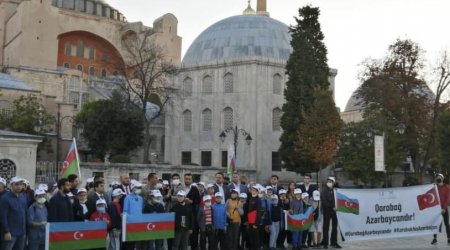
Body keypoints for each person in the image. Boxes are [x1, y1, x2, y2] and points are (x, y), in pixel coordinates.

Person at [0, 177, 27, 250]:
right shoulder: (5, 198)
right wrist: (6, 231)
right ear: (11, 185)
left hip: (21, 232)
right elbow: (3, 216)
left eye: (21, 184)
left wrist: (25, 231)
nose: (19, 186)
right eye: (16, 184)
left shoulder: (23, 197)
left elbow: (24, 214)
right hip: (10, 233)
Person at [321, 177, 341, 249]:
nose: (329, 182)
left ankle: (334, 242)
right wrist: (332, 207)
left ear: (333, 183)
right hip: (327, 211)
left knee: (335, 228)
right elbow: (324, 201)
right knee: (326, 228)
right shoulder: (324, 190)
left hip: (335, 212)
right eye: (328, 181)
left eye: (331, 181)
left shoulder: (336, 190)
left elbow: (339, 199)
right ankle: (325, 243)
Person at [123, 180, 143, 250]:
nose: (139, 189)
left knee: (137, 244)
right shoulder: (127, 198)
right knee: (130, 244)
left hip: (138, 224)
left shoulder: (140, 198)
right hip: (130, 224)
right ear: (133, 188)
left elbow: (140, 211)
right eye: (138, 188)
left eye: (140, 188)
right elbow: (125, 211)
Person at [431, 173, 450, 245]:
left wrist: (444, 208)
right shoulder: (435, 187)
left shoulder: (447, 187)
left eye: (439, 177)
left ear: (442, 178)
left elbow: (447, 199)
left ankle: (449, 239)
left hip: (444, 209)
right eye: (437, 177)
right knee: (435, 224)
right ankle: (435, 239)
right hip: (436, 209)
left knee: (447, 224)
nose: (438, 178)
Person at [184, 173, 201, 250]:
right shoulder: (181, 188)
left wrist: (191, 201)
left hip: (192, 213)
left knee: (193, 231)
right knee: (183, 230)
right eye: (186, 179)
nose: (187, 180)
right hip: (182, 213)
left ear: (192, 180)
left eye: (189, 179)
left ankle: (194, 247)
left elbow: (198, 200)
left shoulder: (194, 189)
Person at [247, 185, 261, 250]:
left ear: (257, 192)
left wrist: (256, 223)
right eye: (252, 190)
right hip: (250, 220)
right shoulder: (251, 198)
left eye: (255, 190)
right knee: (251, 236)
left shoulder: (258, 200)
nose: (253, 191)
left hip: (254, 221)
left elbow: (258, 212)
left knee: (255, 237)